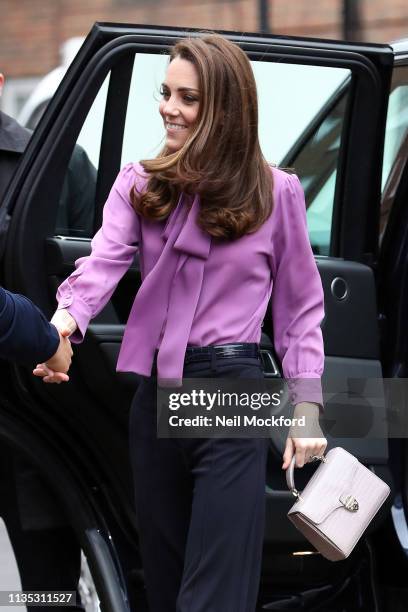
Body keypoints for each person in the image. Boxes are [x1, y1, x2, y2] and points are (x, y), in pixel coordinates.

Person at [35, 35, 327, 612]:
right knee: (166, 588)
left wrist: (307, 407)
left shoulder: (277, 192)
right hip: (158, 396)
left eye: (187, 98)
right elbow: (103, 266)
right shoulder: (138, 184)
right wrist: (62, 325)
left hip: (232, 396)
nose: (169, 106)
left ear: (224, 107)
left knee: (213, 596)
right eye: (166, 92)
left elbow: (300, 308)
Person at [0, 71, 83, 611]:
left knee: (47, 592)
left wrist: (63, 337)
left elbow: (98, 272)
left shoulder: (51, 162)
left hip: (33, 414)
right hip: (35, 357)